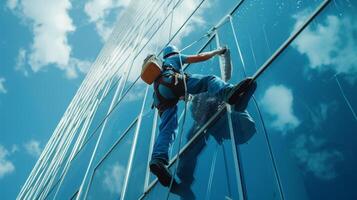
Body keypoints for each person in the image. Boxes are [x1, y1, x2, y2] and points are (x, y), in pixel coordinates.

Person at [149, 45, 256, 187]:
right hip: (172, 83)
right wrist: (218, 51)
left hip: (160, 98)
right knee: (209, 80)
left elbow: (180, 94)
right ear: (175, 53)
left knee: (168, 129)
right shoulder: (175, 58)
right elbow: (200, 57)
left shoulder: (159, 70)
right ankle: (228, 93)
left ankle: (159, 160)